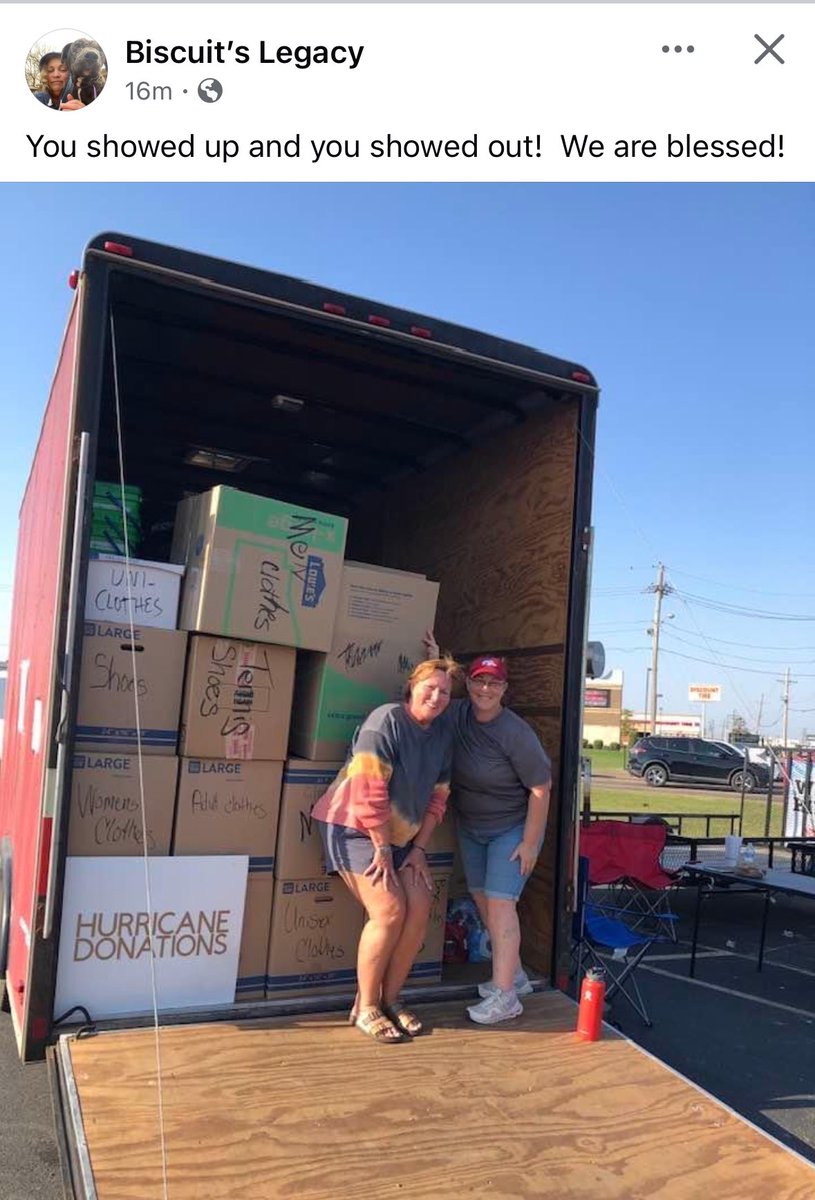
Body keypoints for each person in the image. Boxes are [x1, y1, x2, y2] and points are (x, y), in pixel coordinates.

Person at [311, 656, 457, 1043]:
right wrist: (381, 849)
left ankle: (391, 999)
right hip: (353, 827)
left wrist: (418, 849)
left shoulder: (442, 735)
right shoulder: (386, 721)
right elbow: (368, 791)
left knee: (421, 905)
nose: (437, 696)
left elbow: (438, 799)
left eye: (445, 691)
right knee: (390, 909)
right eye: (430, 687)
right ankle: (367, 1006)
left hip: (399, 839)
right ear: (411, 687)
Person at [425, 634, 551, 1025]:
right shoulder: (458, 713)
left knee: (501, 905)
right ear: (469, 683)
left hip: (511, 829)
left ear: (504, 689)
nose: (485, 688)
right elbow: (434, 694)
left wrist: (529, 843)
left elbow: (541, 788)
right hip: (473, 826)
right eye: (479, 680)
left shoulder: (515, 732)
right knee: (482, 902)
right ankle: (511, 973)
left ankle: (506, 997)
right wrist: (434, 660)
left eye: (494, 683)